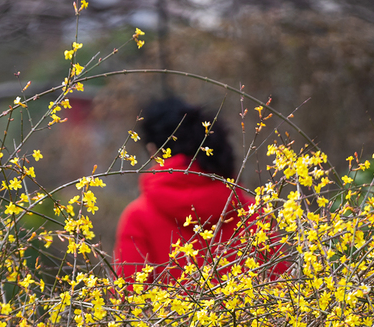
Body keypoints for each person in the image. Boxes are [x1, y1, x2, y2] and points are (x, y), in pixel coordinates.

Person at [113, 97, 286, 287]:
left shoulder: (138, 218)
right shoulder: (255, 213)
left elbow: (128, 301)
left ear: (153, 150)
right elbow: (282, 292)